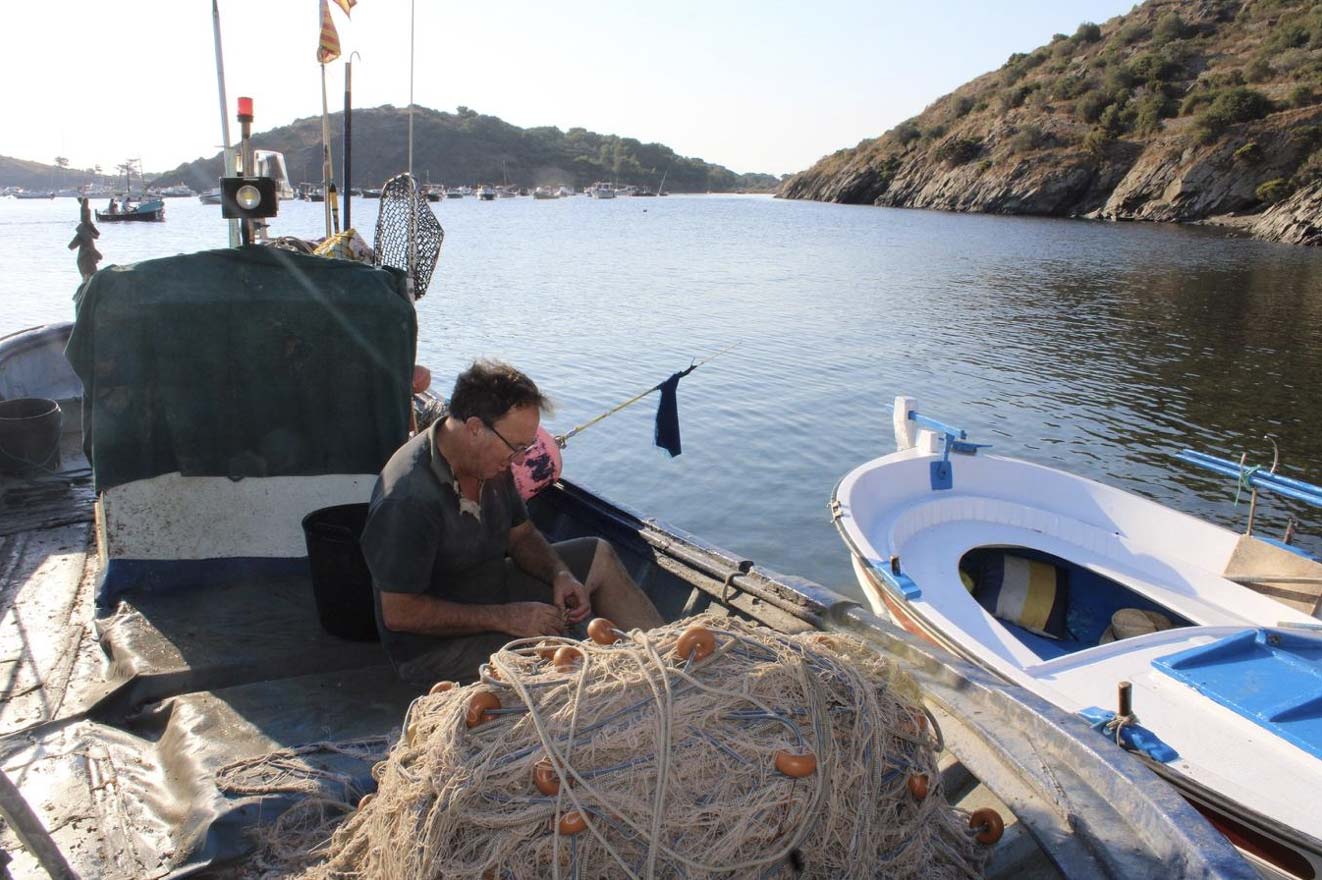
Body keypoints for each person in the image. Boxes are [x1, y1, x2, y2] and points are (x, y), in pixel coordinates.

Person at [360, 359, 664, 684]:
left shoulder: (491, 462)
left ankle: (670, 660)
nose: (521, 459)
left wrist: (559, 573)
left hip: (491, 590)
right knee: (566, 659)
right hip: (435, 647)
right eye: (516, 447)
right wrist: (508, 618)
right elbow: (401, 613)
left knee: (598, 555)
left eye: (527, 446)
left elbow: (521, 536)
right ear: (475, 429)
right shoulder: (407, 497)